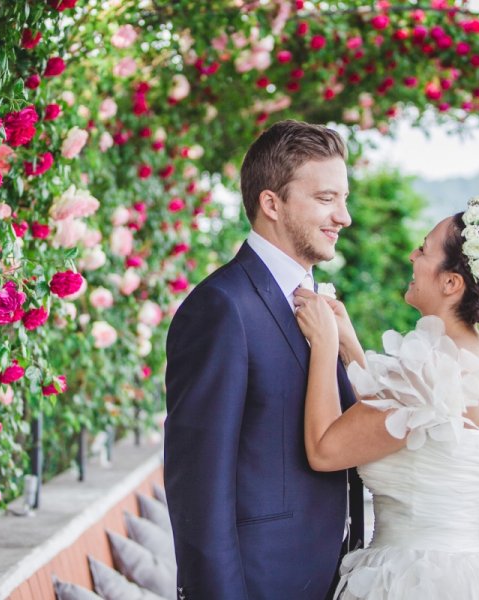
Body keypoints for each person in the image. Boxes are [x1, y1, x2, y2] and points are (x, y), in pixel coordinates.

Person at [294, 195, 479, 599]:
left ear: (451, 283)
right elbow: (395, 424)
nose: (413, 256)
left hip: (412, 581)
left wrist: (324, 344)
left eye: (425, 249)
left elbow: (325, 450)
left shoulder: (430, 368)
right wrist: (349, 345)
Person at [164, 120, 364, 600]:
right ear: (271, 203)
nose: (344, 217)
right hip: (261, 582)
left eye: (344, 199)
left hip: (333, 578)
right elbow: (198, 485)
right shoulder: (220, 307)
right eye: (326, 199)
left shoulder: (320, 304)